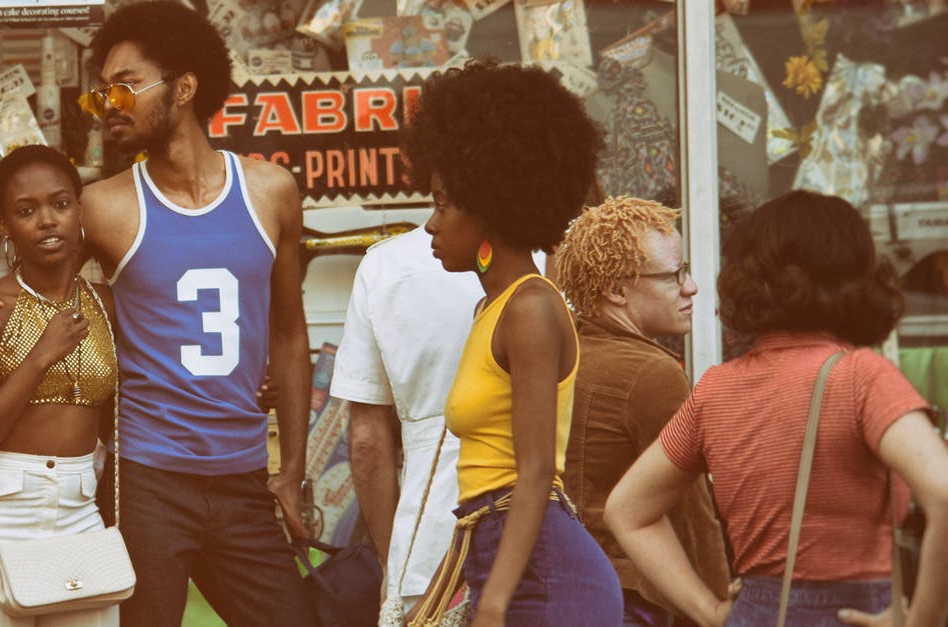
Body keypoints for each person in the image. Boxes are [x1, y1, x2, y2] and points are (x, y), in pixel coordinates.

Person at [0, 3, 317, 625]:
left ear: (185, 88)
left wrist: (295, 469)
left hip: (245, 476)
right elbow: (29, 268)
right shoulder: (100, 206)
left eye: (124, 86)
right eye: (99, 95)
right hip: (146, 481)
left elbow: (289, 332)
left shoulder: (271, 192)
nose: (108, 104)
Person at [606, 190, 948, 627]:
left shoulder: (716, 390)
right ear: (856, 276)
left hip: (755, 612)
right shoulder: (862, 377)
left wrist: (709, 611)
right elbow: (941, 492)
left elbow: (626, 511)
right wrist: (922, 619)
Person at [405, 59, 622, 625]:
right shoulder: (493, 308)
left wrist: (494, 604)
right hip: (500, 550)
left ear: (489, 210)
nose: (431, 223)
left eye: (442, 203)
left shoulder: (528, 308)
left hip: (545, 573)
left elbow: (533, 474)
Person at [0, 145, 119, 626]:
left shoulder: (106, 304)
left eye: (60, 204)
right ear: (3, 225)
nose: (46, 221)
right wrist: (39, 356)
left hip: (79, 520)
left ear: (79, 210)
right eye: (26, 210)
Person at [554, 196, 732, 627]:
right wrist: (721, 608)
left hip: (561, 589)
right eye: (674, 276)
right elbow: (693, 516)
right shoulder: (652, 373)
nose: (691, 287)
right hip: (630, 600)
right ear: (616, 290)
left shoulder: (562, 353)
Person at [331, 225, 479, 623]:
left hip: (424, 545)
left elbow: (366, 442)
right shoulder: (544, 259)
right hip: (537, 539)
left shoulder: (385, 264)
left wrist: (389, 560)